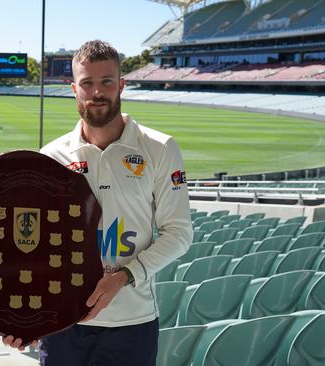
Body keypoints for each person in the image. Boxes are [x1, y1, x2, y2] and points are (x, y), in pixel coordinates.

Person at [15, 40, 192, 365]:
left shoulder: (160, 148)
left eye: (106, 82)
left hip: (132, 322)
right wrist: (27, 309)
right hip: (64, 321)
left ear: (121, 84)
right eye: (87, 83)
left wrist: (122, 276)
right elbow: (36, 244)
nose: (97, 92)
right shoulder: (51, 156)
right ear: (73, 89)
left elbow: (179, 233)